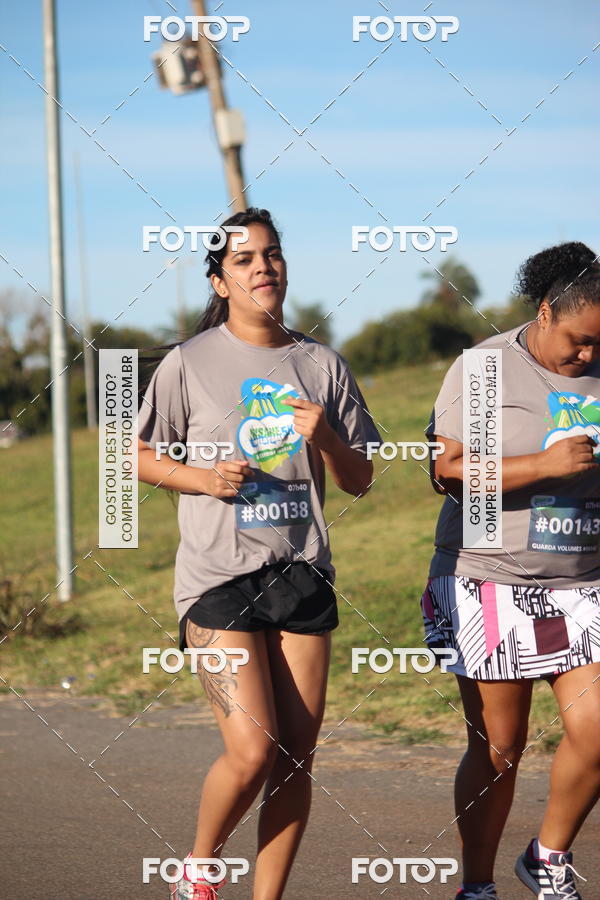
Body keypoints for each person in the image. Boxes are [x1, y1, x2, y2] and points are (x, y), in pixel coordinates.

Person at [137, 207, 381, 900]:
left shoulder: (322, 363)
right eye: (244, 260)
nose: (263, 267)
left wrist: (328, 438)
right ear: (219, 281)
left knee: (295, 760)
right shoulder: (187, 362)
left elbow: (360, 480)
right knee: (252, 750)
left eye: (271, 254)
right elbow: (139, 458)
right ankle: (199, 868)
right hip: (217, 579)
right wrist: (205, 479)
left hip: (302, 574)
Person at [421, 242, 600, 900]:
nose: (588, 358)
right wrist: (542, 468)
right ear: (548, 311)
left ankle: (548, 858)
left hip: (583, 583)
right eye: (579, 342)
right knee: (500, 748)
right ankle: (477, 885)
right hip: (488, 577)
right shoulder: (488, 369)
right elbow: (447, 469)